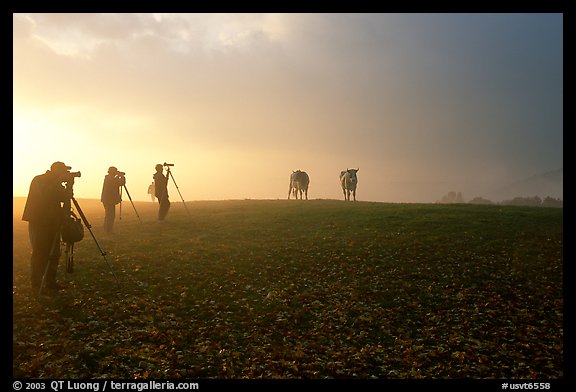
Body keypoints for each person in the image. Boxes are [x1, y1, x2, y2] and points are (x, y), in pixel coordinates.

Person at [22, 161, 74, 295]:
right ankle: (36, 284)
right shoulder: (39, 180)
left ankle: (50, 282)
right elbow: (44, 195)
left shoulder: (56, 182)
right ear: (57, 171)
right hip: (38, 220)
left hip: (53, 221)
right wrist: (58, 182)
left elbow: (65, 197)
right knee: (40, 252)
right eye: (63, 171)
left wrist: (69, 185)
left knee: (54, 253)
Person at [100, 166, 126, 233]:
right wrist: (122, 176)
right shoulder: (111, 178)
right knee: (110, 215)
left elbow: (115, 183)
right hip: (109, 199)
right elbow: (121, 183)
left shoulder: (108, 178)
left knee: (109, 214)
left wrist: (118, 176)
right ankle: (108, 229)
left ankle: (107, 228)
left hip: (107, 199)